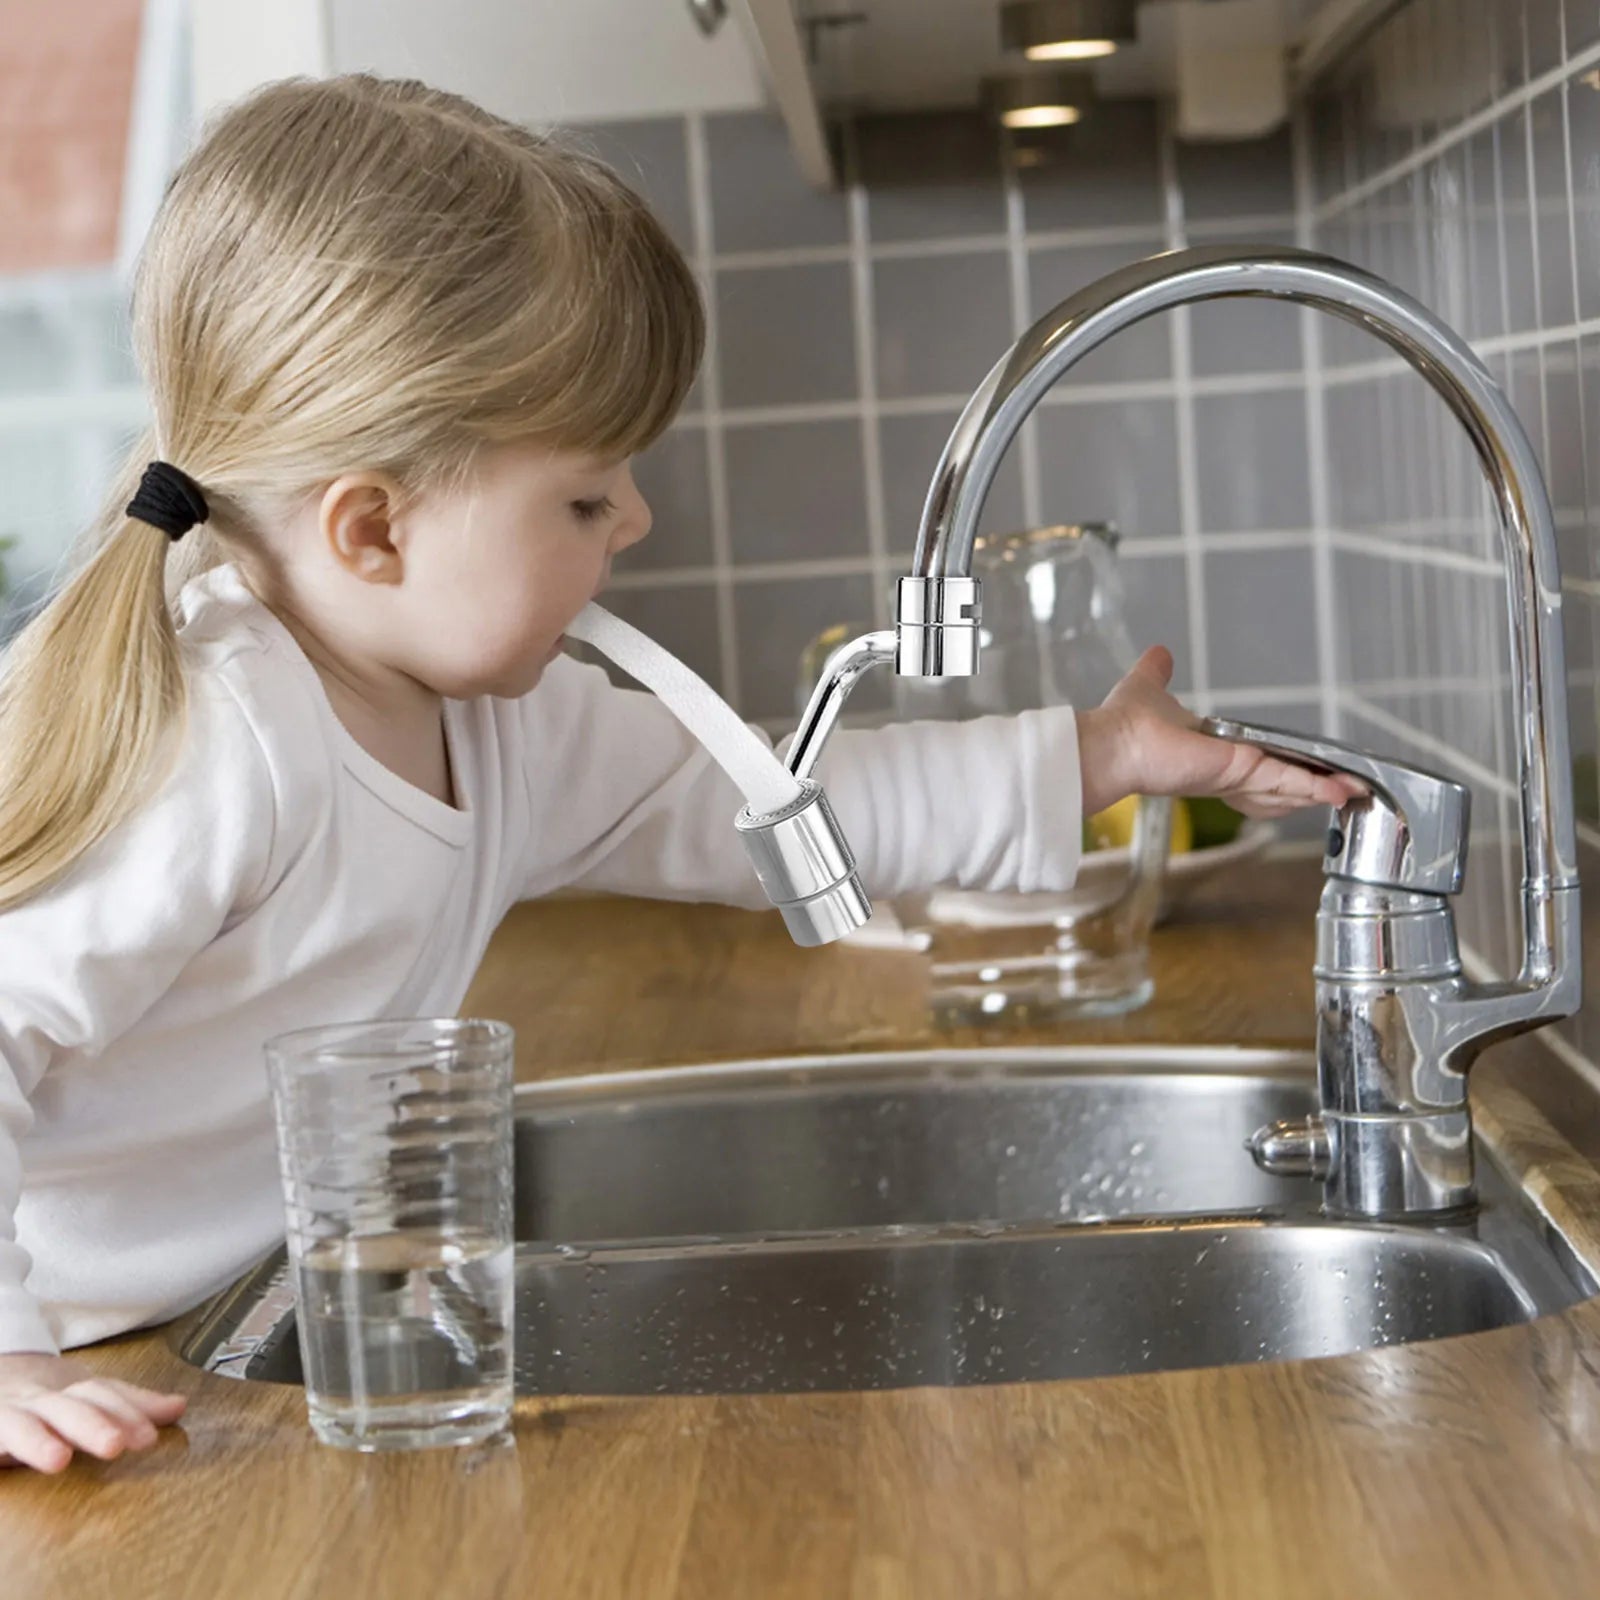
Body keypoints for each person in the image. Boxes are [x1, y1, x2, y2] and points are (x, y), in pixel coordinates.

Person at [0, 73, 1357, 1475]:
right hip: (68, 1358)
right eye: (587, 497)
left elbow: (776, 811)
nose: (633, 521)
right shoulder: (221, 737)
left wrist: (1101, 758)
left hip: (197, 1339)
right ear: (373, 531)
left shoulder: (500, 725)